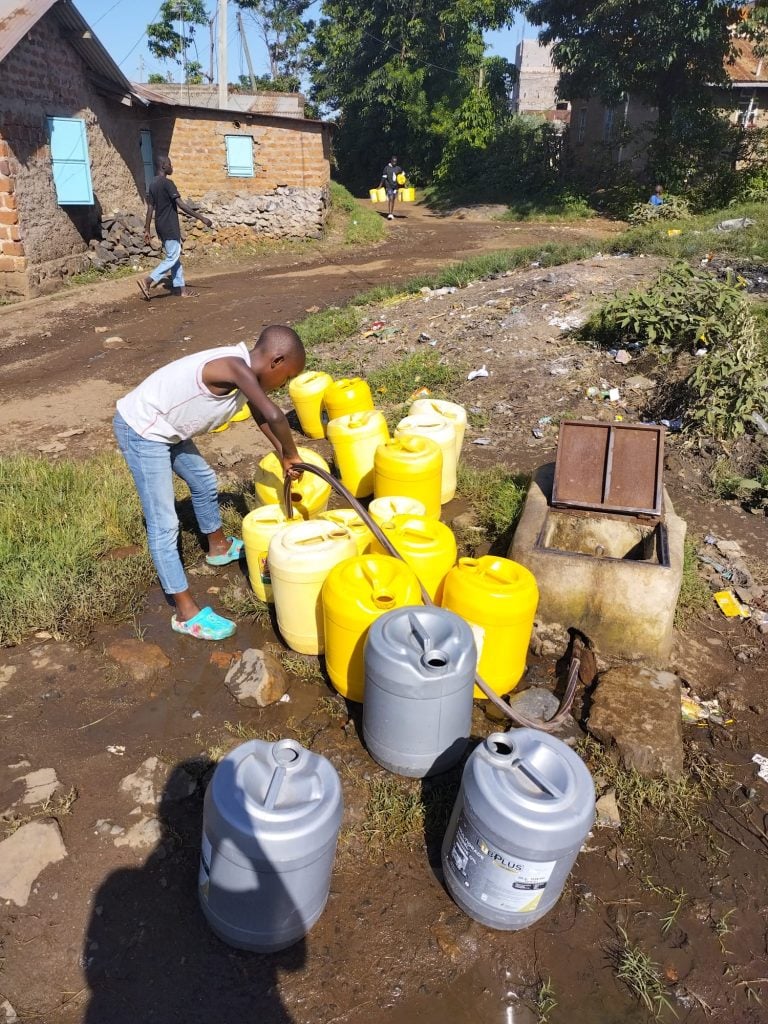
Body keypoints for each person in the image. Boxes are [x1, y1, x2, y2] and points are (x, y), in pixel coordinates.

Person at [113, 325, 306, 641]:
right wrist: (294, 454)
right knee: (163, 523)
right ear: (276, 360)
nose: (283, 385)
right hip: (143, 430)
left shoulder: (247, 377)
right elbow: (274, 414)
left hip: (169, 428)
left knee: (203, 479)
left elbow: (260, 414)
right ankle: (185, 612)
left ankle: (218, 547)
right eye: (286, 377)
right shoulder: (233, 365)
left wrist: (283, 453)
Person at [138, 155, 212, 300]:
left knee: (175, 259)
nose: (173, 167)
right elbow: (181, 205)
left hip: (160, 226)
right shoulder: (167, 183)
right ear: (164, 165)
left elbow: (150, 208)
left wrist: (147, 229)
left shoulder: (152, 184)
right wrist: (202, 218)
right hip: (170, 226)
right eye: (171, 164)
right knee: (172, 257)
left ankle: (182, 290)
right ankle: (148, 281)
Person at [379, 155, 404, 220]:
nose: (394, 163)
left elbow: (402, 175)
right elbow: (383, 178)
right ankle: (389, 214)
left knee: (393, 199)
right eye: (393, 162)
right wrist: (380, 186)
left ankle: (391, 213)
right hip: (388, 186)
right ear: (391, 161)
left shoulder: (398, 168)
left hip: (395, 186)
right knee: (391, 198)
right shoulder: (386, 168)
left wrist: (403, 185)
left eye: (395, 162)